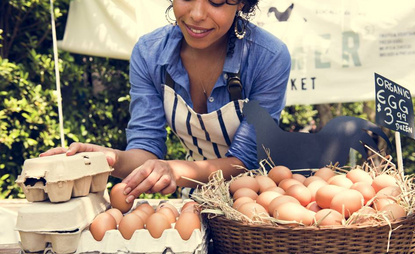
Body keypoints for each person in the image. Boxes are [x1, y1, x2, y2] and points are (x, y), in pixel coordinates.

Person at [41, 0, 291, 202]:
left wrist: (173, 170)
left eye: (215, 1)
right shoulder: (150, 54)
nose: (196, 13)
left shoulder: (267, 57)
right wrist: (109, 160)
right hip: (198, 202)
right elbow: (146, 147)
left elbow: (244, 162)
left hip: (260, 206)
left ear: (242, 4)